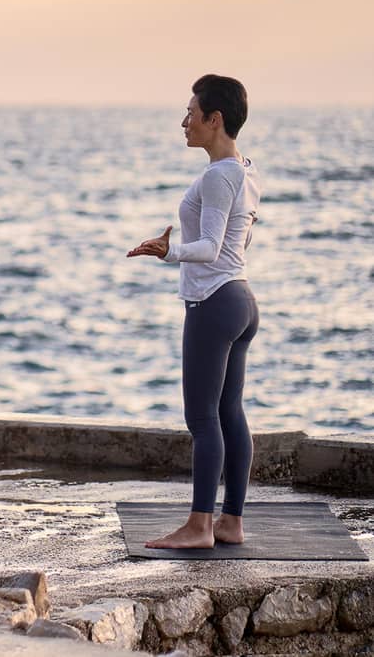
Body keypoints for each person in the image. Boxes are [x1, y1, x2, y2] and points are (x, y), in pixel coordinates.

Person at [127, 74, 261, 549]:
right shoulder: (245, 169)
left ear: (214, 119)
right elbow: (239, 242)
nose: (184, 122)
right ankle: (232, 522)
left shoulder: (218, 175)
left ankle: (200, 526)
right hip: (240, 300)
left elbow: (209, 247)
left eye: (191, 113)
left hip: (214, 303)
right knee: (229, 412)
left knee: (203, 419)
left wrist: (167, 251)